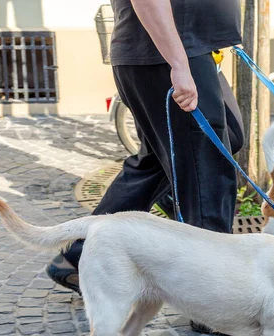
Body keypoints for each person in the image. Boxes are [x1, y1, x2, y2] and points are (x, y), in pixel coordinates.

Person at [46, 0, 243, 296]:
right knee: (207, 177)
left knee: (169, 160)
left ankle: (79, 257)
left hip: (191, 50)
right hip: (169, 56)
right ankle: (212, 301)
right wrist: (178, 64)